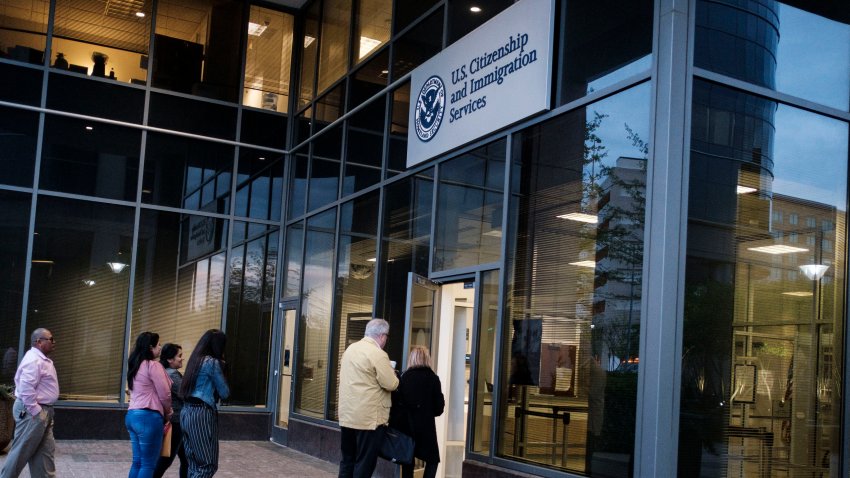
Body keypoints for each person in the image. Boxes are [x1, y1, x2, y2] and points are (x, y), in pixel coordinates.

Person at [337, 318, 399, 478]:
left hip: (347, 416)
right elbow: (391, 384)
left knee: (347, 461)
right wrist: (394, 375)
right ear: (382, 336)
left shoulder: (350, 349)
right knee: (364, 464)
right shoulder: (378, 354)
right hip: (368, 420)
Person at [0, 328, 59, 478]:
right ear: (39, 342)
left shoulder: (40, 359)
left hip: (43, 413)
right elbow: (25, 388)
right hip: (33, 413)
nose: (54, 342)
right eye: (50, 339)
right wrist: (36, 411)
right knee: (20, 453)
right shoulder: (34, 360)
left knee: (45, 455)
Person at [180, 330, 229, 478]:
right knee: (207, 465)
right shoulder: (211, 362)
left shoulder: (195, 360)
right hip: (201, 413)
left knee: (194, 465)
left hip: (186, 411)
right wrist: (224, 367)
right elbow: (224, 392)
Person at [392, 346, 445, 478]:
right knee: (432, 460)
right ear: (427, 359)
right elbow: (439, 409)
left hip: (406, 426)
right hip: (426, 427)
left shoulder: (403, 377)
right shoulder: (433, 378)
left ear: (412, 359)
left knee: (407, 460)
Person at [126, 332, 173, 478]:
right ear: (150, 347)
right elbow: (165, 394)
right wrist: (168, 412)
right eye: (158, 345)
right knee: (148, 464)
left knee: (137, 462)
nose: (160, 348)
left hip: (132, 416)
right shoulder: (153, 366)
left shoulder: (135, 365)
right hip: (149, 417)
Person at [154, 344, 187, 478]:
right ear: (169, 359)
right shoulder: (173, 375)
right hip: (175, 422)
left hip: (174, 421)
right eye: (179, 356)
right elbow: (185, 394)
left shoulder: (162, 372)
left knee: (186, 459)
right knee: (166, 460)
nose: (181, 359)